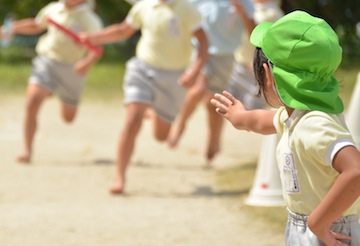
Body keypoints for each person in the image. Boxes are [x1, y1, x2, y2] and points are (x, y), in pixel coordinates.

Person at [211, 11, 360, 245]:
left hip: (327, 229)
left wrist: (317, 223)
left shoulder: (315, 124)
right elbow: (265, 121)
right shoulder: (297, 115)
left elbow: (356, 171)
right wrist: (241, 117)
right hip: (308, 223)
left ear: (268, 75)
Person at [82, 0, 208, 194]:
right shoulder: (143, 6)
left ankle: (150, 111)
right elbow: (123, 30)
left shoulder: (186, 9)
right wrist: (93, 37)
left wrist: (194, 71)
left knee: (161, 135)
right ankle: (119, 178)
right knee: (132, 120)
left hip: (174, 77)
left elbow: (203, 43)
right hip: (142, 68)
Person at [0, 0, 103, 163]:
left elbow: (97, 47)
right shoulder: (53, 9)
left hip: (72, 69)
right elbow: (36, 25)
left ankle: (56, 93)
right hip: (47, 62)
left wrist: (86, 64)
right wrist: (12, 28)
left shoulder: (90, 19)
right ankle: (27, 150)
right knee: (32, 101)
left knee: (69, 117)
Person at [167, 0, 254, 164]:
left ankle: (213, 141)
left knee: (213, 103)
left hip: (225, 56)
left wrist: (241, 12)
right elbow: (182, 16)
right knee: (199, 88)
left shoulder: (244, 2)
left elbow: (253, 33)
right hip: (201, 51)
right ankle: (180, 125)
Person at [227, 0, 283, 110]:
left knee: (251, 111)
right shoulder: (251, 5)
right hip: (240, 62)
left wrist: (243, 13)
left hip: (254, 67)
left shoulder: (272, 13)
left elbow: (256, 38)